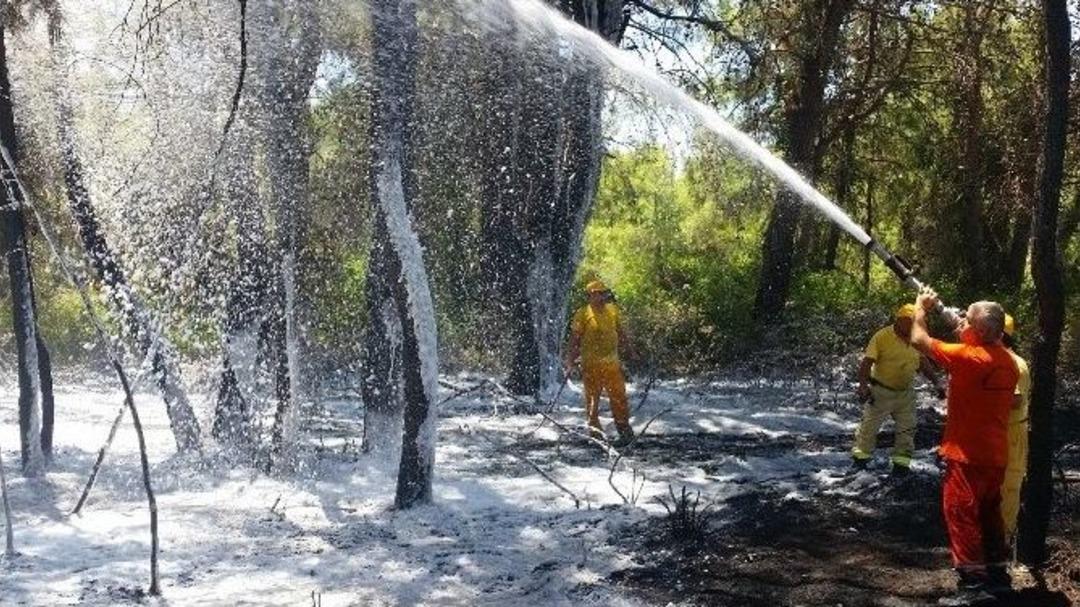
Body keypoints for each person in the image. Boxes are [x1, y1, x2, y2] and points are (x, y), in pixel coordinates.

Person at [910, 291, 1018, 605]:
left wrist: (921, 307)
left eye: (967, 320)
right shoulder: (1007, 361)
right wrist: (958, 321)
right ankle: (997, 575)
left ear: (980, 331)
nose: (961, 323)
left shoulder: (969, 358)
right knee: (988, 515)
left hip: (967, 455)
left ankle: (973, 585)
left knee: (961, 513)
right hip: (995, 455)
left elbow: (919, 340)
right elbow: (970, 337)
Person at [851, 303, 944, 475]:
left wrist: (937, 382)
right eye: (908, 321)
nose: (911, 325)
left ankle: (901, 467)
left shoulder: (917, 338)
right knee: (869, 428)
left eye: (914, 321)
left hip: (905, 394)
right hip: (881, 391)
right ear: (899, 320)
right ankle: (860, 462)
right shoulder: (882, 336)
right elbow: (867, 362)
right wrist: (863, 386)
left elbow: (923, 363)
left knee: (907, 430)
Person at [563, 280, 635, 446]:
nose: (601, 297)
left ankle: (624, 430)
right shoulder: (583, 313)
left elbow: (621, 332)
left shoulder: (612, 310)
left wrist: (630, 351)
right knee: (593, 399)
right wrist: (570, 361)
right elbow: (574, 339)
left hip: (612, 363)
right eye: (597, 294)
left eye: (603, 293)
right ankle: (595, 433)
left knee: (619, 397)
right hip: (591, 364)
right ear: (590, 296)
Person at [1000, 314, 1030, 550]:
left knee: (1008, 486)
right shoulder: (1000, 358)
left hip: (1010, 433)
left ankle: (1004, 539)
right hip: (999, 431)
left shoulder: (1011, 362)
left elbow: (1015, 399)